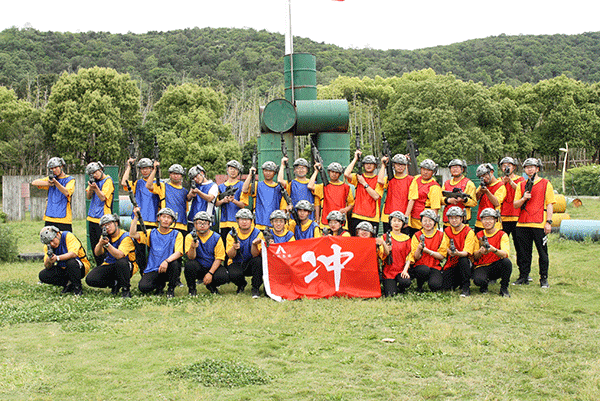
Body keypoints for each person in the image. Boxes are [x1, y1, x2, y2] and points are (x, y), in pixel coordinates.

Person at [512, 158, 555, 288]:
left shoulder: (546, 183)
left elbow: (550, 204)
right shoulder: (521, 185)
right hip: (523, 224)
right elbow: (515, 204)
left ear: (537, 168)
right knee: (523, 253)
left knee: (542, 252)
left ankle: (544, 278)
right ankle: (523, 276)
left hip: (539, 223)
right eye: (527, 167)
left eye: (532, 167)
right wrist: (524, 198)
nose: (529, 169)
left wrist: (548, 222)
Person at [130, 207, 183, 297]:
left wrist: (166, 261)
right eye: (163, 217)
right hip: (154, 268)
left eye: (169, 218)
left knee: (175, 264)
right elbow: (132, 234)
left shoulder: (177, 234)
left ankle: (171, 289)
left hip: (168, 267)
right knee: (143, 287)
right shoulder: (151, 233)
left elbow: (178, 252)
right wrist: (135, 217)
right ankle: (159, 285)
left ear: (172, 221)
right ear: (158, 218)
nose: (166, 220)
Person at [121, 157, 160, 273]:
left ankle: (153, 273)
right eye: (142, 169)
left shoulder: (158, 184)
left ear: (151, 168)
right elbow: (124, 182)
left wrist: (156, 169)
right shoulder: (137, 183)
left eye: (147, 168)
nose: (145, 171)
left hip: (152, 221)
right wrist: (129, 166)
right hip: (139, 220)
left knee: (153, 250)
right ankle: (143, 274)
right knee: (140, 251)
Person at [85, 214, 137, 298]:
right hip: (110, 264)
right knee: (90, 279)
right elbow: (97, 253)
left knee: (121, 262)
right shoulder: (105, 236)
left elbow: (120, 255)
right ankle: (115, 284)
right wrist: (100, 243)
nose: (107, 227)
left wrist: (107, 245)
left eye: (109, 224)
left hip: (126, 266)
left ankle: (125, 289)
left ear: (116, 223)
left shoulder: (126, 236)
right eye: (104, 226)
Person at [184, 211, 228, 296]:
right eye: (199, 223)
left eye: (205, 223)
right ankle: (192, 289)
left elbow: (219, 258)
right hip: (198, 267)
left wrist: (210, 273)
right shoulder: (190, 237)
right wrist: (193, 247)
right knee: (189, 265)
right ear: (194, 224)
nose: (202, 225)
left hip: (212, 266)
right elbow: (191, 257)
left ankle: (212, 286)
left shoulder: (216, 237)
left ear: (209, 224)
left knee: (223, 276)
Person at [39, 225, 90, 296]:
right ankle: (68, 283)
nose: (52, 244)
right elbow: (47, 266)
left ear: (57, 234)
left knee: (71, 262)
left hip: (79, 266)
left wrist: (57, 258)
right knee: (43, 275)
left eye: (52, 240)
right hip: (63, 268)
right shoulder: (48, 246)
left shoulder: (68, 236)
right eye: (48, 242)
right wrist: (49, 260)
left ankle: (77, 288)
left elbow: (73, 254)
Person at [472, 208, 512, 297]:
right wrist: (480, 251)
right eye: (485, 219)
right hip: (482, 265)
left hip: (496, 265)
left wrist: (494, 250)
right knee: (478, 280)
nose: (487, 222)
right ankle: (484, 284)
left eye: (490, 219)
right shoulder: (478, 235)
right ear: (481, 221)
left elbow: (505, 254)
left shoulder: (502, 234)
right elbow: (474, 256)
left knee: (506, 262)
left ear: (495, 220)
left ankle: (504, 288)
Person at [225, 209, 264, 298]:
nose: (244, 222)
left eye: (247, 219)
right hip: (236, 262)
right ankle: (241, 284)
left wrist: (254, 245)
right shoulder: (231, 234)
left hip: (251, 262)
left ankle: (255, 288)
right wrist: (234, 248)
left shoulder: (257, 233)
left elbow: (256, 255)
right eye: (242, 219)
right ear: (237, 221)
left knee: (258, 261)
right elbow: (230, 255)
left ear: (251, 221)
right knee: (233, 273)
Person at [407, 209, 448, 292]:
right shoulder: (417, 235)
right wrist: (419, 249)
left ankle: (431, 280)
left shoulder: (441, 235)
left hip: (434, 266)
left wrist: (428, 251)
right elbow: (415, 257)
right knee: (424, 270)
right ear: (421, 222)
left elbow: (442, 256)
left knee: (435, 285)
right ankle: (419, 285)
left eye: (430, 221)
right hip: (420, 266)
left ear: (435, 222)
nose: (427, 223)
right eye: (425, 221)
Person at [32, 157, 75, 232]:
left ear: (61, 166)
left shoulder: (70, 180)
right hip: (49, 217)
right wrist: (48, 183)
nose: (54, 170)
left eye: (56, 167)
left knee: (65, 238)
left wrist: (55, 182)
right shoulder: (51, 179)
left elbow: (67, 192)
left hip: (64, 219)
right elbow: (34, 182)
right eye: (51, 168)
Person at [344, 152, 384, 235]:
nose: (368, 165)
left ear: (375, 166)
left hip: (373, 217)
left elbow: (376, 196)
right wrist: (355, 158)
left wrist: (364, 183)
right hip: (357, 215)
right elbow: (346, 174)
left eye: (371, 164)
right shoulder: (358, 177)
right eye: (366, 163)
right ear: (363, 165)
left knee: (371, 241)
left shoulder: (378, 180)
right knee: (355, 240)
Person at [85, 161, 114, 266]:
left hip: (103, 219)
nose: (94, 175)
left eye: (95, 172)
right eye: (92, 174)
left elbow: (103, 197)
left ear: (101, 170)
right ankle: (98, 266)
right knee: (94, 246)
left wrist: (96, 188)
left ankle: (106, 266)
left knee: (104, 245)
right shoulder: (94, 181)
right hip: (92, 218)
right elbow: (88, 197)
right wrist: (91, 188)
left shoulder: (108, 180)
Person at [443, 206, 477, 297]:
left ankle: (466, 287)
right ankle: (457, 282)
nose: (454, 220)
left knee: (463, 260)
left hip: (465, 261)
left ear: (462, 219)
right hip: (452, 261)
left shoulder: (469, 231)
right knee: (445, 286)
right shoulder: (447, 231)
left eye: (456, 218)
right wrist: (449, 251)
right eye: (451, 218)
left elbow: (466, 252)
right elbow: (445, 247)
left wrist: (457, 253)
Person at [308, 162, 354, 229]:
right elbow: (310, 186)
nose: (334, 174)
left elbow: (351, 203)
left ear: (340, 174)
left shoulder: (346, 187)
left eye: (336, 172)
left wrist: (346, 209)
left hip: (341, 224)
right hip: (325, 223)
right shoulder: (323, 186)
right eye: (332, 172)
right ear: (328, 172)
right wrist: (316, 171)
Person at [147, 163, 189, 234]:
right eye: (173, 173)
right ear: (169, 175)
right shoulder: (163, 186)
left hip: (182, 226)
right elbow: (148, 185)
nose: (175, 176)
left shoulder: (185, 191)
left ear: (181, 176)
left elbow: (186, 210)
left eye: (178, 174)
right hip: (167, 225)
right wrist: (155, 170)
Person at [405, 159, 443, 237]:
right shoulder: (416, 178)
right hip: (413, 221)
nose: (425, 172)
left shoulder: (434, 187)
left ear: (433, 172)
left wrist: (431, 225)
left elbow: (435, 209)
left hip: (424, 223)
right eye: (423, 169)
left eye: (428, 170)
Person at [378, 154, 414, 234]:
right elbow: (380, 180)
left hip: (403, 216)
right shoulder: (389, 179)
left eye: (403, 164)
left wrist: (406, 217)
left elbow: (412, 199)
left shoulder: (411, 180)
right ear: (393, 165)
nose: (400, 167)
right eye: (398, 164)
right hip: (388, 216)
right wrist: (383, 165)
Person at [242, 161, 283, 230]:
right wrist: (250, 175)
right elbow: (244, 189)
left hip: (274, 226)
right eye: (266, 171)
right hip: (259, 224)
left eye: (270, 171)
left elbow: (281, 181)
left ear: (275, 173)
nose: (268, 173)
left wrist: (282, 164)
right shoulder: (257, 185)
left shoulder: (278, 187)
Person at [379, 211, 412, 296]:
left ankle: (401, 287)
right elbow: (383, 255)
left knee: (406, 282)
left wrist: (405, 271)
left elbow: (409, 256)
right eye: (394, 220)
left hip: (401, 270)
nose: (396, 223)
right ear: (390, 222)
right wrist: (386, 247)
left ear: (403, 223)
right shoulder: (384, 237)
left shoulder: (407, 238)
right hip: (389, 271)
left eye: (399, 221)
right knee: (390, 294)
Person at [278, 157, 319, 222]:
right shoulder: (291, 183)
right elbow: (280, 180)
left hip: (309, 219)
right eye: (298, 168)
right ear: (294, 170)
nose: (301, 170)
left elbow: (317, 203)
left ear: (307, 170)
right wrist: (282, 165)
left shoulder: (312, 184)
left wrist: (316, 170)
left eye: (303, 168)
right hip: (294, 219)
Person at [215, 160, 245, 243]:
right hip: (224, 223)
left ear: (238, 171)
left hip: (237, 223)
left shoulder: (242, 185)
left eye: (235, 169)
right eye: (231, 169)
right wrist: (223, 200)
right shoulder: (220, 186)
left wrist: (233, 200)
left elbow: (243, 205)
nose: (233, 171)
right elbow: (216, 203)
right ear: (227, 170)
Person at [441, 159, 477, 227]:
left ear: (462, 169)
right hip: (447, 221)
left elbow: (474, 202)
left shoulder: (469, 183)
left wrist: (464, 200)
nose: (455, 169)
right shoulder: (446, 183)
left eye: (457, 167)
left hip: (462, 221)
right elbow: (439, 199)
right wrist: (448, 200)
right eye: (452, 167)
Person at [499, 157, 526, 243]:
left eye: (509, 166)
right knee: (502, 242)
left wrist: (510, 182)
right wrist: (503, 182)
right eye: (504, 166)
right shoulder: (499, 180)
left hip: (517, 216)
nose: (506, 168)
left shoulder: (520, 179)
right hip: (503, 216)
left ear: (514, 167)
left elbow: (521, 191)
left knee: (519, 243)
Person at [475, 163, 506, 232]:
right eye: (481, 177)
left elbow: (496, 203)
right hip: (480, 222)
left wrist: (487, 192)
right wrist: (480, 192)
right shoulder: (482, 185)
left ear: (491, 172)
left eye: (485, 175)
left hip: (494, 223)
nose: (483, 178)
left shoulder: (500, 186)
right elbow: (475, 199)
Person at [187, 165, 218, 231]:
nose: (195, 179)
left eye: (196, 176)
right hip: (193, 219)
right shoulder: (195, 185)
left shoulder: (213, 185)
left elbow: (210, 198)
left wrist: (198, 192)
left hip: (206, 220)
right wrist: (191, 193)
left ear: (202, 173)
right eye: (193, 178)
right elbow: (188, 199)